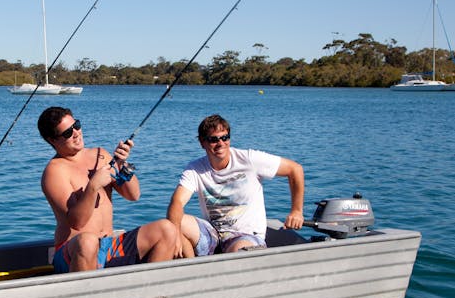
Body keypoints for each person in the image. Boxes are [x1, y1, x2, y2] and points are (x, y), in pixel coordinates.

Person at [38, 106, 178, 272]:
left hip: (108, 245)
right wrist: (93, 186)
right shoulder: (54, 171)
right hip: (74, 250)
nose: (76, 133)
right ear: (52, 140)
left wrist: (121, 165)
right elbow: (77, 223)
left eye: (77, 125)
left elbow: (133, 195)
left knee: (167, 229)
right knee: (88, 241)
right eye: (68, 133)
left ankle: (148, 290)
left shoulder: (100, 154)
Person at [167, 114, 304, 257]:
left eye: (224, 137)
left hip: (246, 236)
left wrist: (296, 211)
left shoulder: (249, 159)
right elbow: (177, 202)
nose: (220, 143)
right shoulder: (195, 168)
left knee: (239, 251)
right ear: (202, 143)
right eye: (213, 139)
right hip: (213, 235)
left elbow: (295, 169)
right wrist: (175, 234)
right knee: (173, 223)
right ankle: (191, 269)